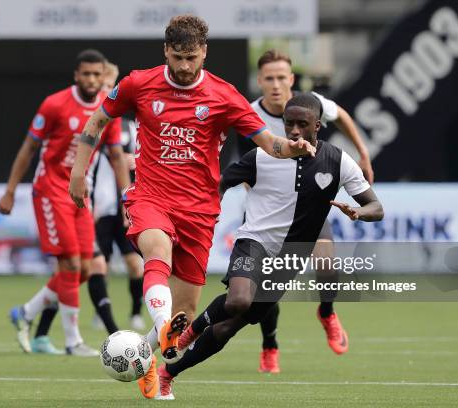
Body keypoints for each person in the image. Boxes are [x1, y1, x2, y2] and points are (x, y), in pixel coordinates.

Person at [68, 15, 315, 398]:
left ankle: (146, 356)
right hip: (150, 197)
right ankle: (159, 331)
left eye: (192, 57)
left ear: (204, 53)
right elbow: (97, 119)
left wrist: (292, 149)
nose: (185, 66)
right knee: (156, 250)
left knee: (180, 328)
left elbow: (270, 143)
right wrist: (78, 174)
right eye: (178, 57)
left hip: (200, 212)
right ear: (166, 51)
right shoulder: (138, 83)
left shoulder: (223, 95)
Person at [158, 93, 384, 399]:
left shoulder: (338, 161)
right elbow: (223, 181)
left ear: (317, 126)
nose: (292, 130)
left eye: (301, 125)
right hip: (255, 242)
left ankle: (167, 374)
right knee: (238, 300)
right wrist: (216, 199)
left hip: (290, 258)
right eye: (288, 123)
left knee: (230, 327)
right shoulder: (262, 156)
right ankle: (188, 334)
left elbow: (376, 207)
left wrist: (359, 212)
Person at [249, 50, 375, 373]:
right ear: (260, 81)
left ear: (291, 79)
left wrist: (363, 153)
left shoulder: (310, 103)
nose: (276, 85)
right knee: (267, 289)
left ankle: (327, 311)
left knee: (326, 265)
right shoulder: (250, 114)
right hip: (268, 215)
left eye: (282, 77)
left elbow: (343, 115)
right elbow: (245, 162)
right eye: (269, 78)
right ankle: (269, 346)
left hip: (308, 209)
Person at [0, 49, 130, 356]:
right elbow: (29, 147)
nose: (93, 80)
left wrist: (127, 197)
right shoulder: (55, 104)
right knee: (69, 264)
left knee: (85, 268)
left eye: (98, 74)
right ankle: (73, 341)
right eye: (87, 74)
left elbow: (115, 156)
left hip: (80, 195)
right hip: (51, 190)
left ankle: (26, 313)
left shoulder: (107, 110)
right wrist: (10, 190)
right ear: (76, 75)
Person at [90, 62, 145, 331]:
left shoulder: (130, 125)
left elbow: (143, 156)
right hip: (101, 206)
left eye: (110, 86)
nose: (106, 91)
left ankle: (136, 312)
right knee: (100, 263)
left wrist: (134, 160)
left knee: (135, 264)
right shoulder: (91, 123)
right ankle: (101, 312)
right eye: (103, 85)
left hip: (125, 205)